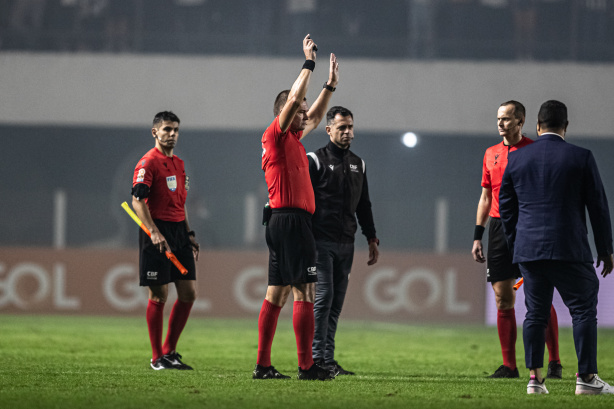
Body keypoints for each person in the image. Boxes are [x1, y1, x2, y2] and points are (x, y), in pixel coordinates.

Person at [500, 100, 614, 395]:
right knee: (583, 310)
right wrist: (605, 249)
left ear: (537, 126)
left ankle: (535, 381)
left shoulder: (516, 159)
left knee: (535, 313)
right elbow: (598, 208)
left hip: (529, 250)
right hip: (570, 248)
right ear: (565, 126)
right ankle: (587, 379)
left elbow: (507, 210)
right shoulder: (582, 157)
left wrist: (517, 248)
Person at [253, 34, 339, 381]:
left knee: (276, 295)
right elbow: (294, 101)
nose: (304, 114)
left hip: (282, 221)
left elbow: (315, 116)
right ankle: (307, 366)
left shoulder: (291, 140)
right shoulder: (274, 135)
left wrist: (329, 86)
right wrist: (309, 64)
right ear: (285, 113)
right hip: (291, 221)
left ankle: (263, 365)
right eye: (298, 110)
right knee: (306, 289)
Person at [472, 100, 562, 379]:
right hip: (499, 229)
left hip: (529, 226)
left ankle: (555, 361)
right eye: (499, 118)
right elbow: (486, 196)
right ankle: (509, 366)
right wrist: (478, 234)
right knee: (503, 297)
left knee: (538, 296)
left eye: (507, 119)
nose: (500, 123)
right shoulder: (491, 153)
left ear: (521, 121)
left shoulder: (535, 151)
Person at [307, 106, 379, 375]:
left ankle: (328, 358)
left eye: (350, 127)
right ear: (328, 130)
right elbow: (304, 203)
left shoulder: (359, 163)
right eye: (342, 128)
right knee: (324, 300)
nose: (348, 132)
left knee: (336, 304)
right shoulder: (314, 160)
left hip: (346, 244)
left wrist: (371, 238)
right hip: (320, 243)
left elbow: (364, 205)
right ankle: (316, 359)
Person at [131, 111, 200, 370]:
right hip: (156, 231)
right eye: (167, 130)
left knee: (188, 294)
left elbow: (180, 204)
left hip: (179, 232)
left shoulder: (179, 164)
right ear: (155, 132)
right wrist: (153, 231)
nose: (172, 134)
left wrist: (189, 233)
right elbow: (138, 200)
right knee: (159, 295)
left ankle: (170, 351)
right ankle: (156, 357)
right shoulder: (147, 162)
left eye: (175, 130)